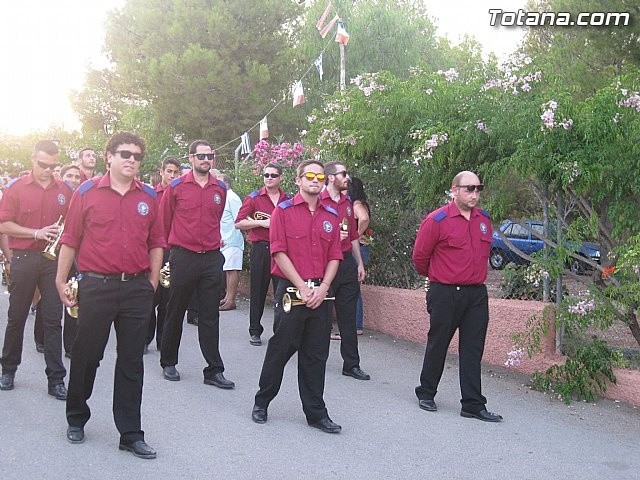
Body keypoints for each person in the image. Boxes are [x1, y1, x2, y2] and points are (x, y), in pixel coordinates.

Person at [56, 131, 164, 458]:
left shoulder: (148, 196)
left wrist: (152, 282)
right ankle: (76, 417)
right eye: (125, 154)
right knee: (87, 356)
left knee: (132, 362)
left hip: (136, 288)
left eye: (137, 156)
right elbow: (70, 239)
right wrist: (61, 282)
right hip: (95, 286)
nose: (132, 159)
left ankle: (130, 433)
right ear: (109, 157)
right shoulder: (87, 193)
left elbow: (157, 242)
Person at [252, 159, 343, 434]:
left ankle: (316, 413)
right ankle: (262, 402)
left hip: (321, 294)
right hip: (293, 290)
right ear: (298, 181)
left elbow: (335, 255)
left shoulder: (331, 215)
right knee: (281, 348)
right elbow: (278, 252)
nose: (315, 180)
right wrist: (302, 287)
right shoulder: (283, 211)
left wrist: (324, 287)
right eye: (310, 176)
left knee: (316, 355)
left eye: (320, 176)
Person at [412, 171, 502, 422]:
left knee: (473, 349)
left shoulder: (484, 219)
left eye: (477, 188)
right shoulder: (437, 220)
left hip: (476, 294)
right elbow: (420, 257)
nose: (474, 194)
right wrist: (438, 278)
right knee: (438, 343)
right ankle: (426, 392)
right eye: (468, 189)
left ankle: (472, 404)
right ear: (455, 190)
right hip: (446, 292)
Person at [159, 140, 235, 389]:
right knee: (176, 309)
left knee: (210, 314)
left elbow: (216, 217)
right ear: (191, 158)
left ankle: (214, 369)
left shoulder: (220, 189)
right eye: (201, 155)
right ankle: (169, 361)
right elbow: (164, 221)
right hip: (183, 256)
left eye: (210, 155)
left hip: (211, 258)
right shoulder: (177, 187)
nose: (206, 159)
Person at [0, 140, 71, 399]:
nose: (48, 170)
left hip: (53, 261)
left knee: (53, 319)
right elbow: (4, 225)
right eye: (43, 164)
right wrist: (36, 232)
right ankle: (8, 368)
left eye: (53, 166)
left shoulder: (64, 189)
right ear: (33, 159)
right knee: (16, 316)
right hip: (25, 256)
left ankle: (56, 379)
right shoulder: (16, 188)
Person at [319, 162, 370, 381]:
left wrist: (359, 263)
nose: (347, 178)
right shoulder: (318, 201)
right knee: (321, 317)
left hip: (347, 263)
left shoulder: (348, 202)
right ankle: (316, 360)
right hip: (325, 264)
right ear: (331, 177)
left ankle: (351, 364)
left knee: (348, 316)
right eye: (343, 174)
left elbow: (353, 236)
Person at [235, 163, 289, 346]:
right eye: (266, 175)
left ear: (280, 177)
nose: (269, 178)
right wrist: (261, 224)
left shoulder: (287, 199)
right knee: (258, 290)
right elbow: (239, 222)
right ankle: (255, 331)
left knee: (282, 292)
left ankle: (280, 332)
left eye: (273, 175)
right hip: (262, 249)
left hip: (282, 250)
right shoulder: (254, 198)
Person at [145, 156, 180, 353]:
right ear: (162, 172)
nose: (172, 176)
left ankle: (162, 340)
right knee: (150, 295)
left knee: (169, 299)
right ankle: (145, 338)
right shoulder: (151, 194)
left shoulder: (181, 193)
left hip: (173, 251)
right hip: (152, 251)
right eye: (169, 172)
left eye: (176, 172)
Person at [216, 172, 244, 311]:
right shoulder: (224, 197)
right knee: (227, 269)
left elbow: (239, 219)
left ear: (226, 183)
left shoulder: (232, 198)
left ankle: (231, 299)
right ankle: (227, 297)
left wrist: (229, 237)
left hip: (232, 239)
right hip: (225, 240)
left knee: (232, 270)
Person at [347, 177, 371, 335]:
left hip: (358, 249)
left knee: (352, 289)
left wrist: (355, 235)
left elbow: (364, 218)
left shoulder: (356, 204)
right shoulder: (361, 203)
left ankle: (356, 326)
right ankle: (355, 325)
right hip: (363, 248)